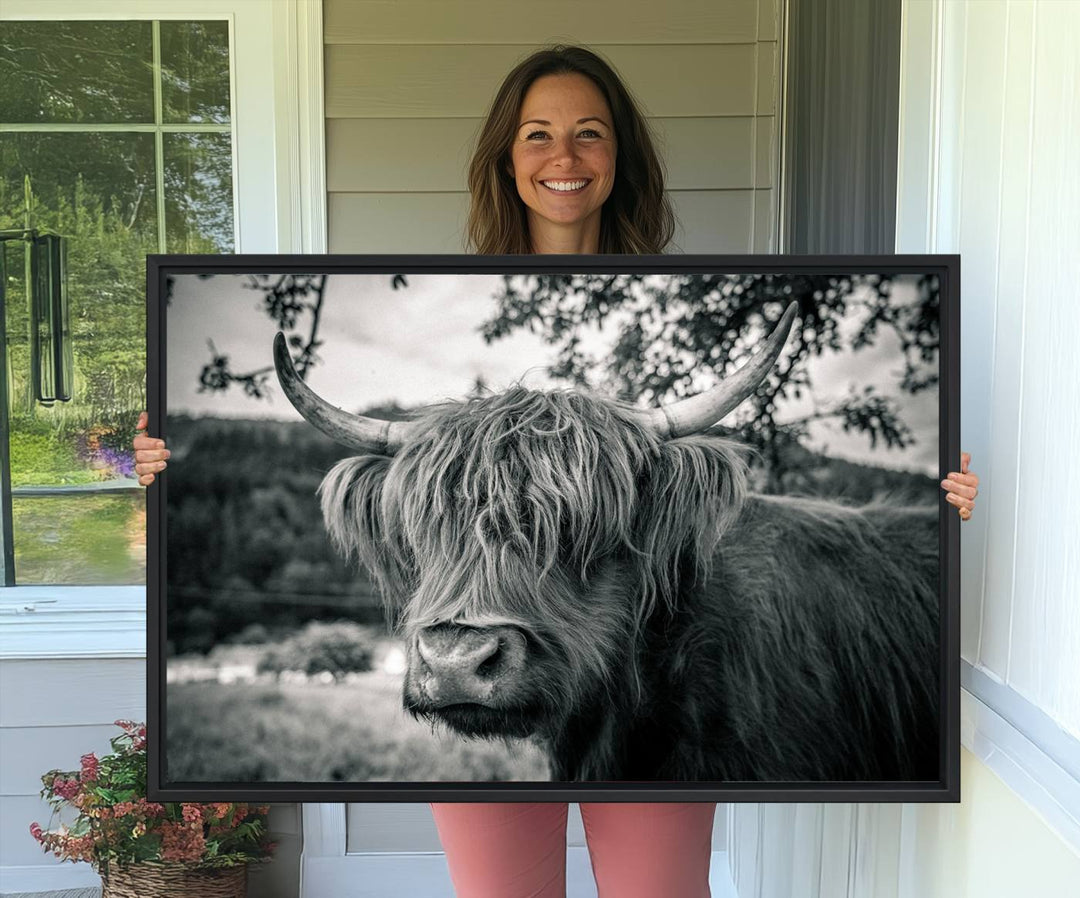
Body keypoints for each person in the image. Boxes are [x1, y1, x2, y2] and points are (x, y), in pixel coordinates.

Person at [134, 45, 980, 898]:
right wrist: (158, 467)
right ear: (506, 157)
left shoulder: (687, 306)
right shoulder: (428, 273)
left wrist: (950, 506)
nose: (563, 158)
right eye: (537, 135)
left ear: (622, 159)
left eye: (590, 135)